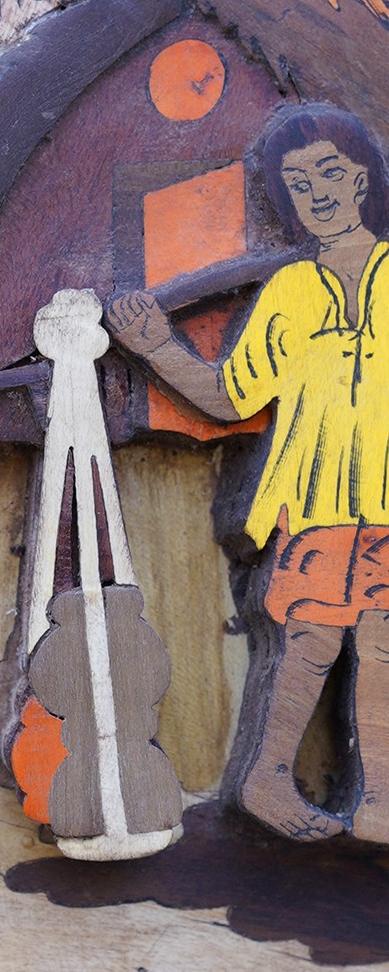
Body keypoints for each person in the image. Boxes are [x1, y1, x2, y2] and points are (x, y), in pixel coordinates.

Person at [108, 102, 389, 843]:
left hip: (387, 501)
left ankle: (380, 802)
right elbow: (231, 395)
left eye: (331, 172)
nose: (319, 192)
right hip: (315, 501)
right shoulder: (292, 291)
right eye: (299, 182)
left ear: (363, 178)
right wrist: (157, 346)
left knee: (384, 639)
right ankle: (266, 780)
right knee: (310, 640)